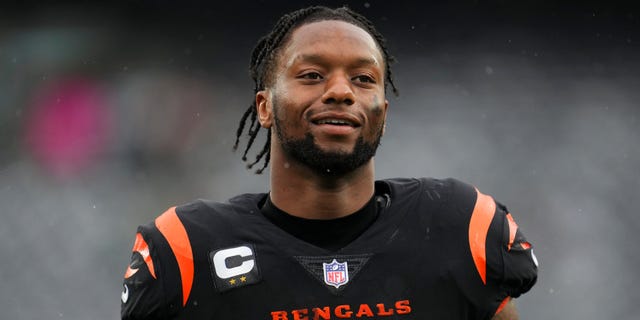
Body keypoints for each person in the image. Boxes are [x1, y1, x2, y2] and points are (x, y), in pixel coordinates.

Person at [121, 6, 537, 320]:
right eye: (312, 75)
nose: (341, 91)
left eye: (363, 78)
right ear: (264, 108)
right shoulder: (187, 249)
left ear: (384, 113)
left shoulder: (458, 226)